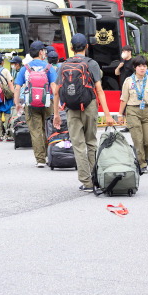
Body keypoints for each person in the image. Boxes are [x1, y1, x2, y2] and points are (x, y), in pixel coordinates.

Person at [53, 34, 115, 192]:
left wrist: (56, 114)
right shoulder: (91, 63)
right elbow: (99, 90)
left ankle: (86, 182)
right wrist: (107, 114)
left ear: (72, 48)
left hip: (71, 108)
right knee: (91, 142)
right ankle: (96, 178)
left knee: (78, 145)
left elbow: (56, 92)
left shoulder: (64, 65)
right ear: (87, 46)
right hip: (89, 105)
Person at [117, 55, 148, 174]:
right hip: (133, 111)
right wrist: (120, 114)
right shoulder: (128, 81)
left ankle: (145, 159)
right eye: (139, 66)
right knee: (138, 139)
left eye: (144, 66)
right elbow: (124, 99)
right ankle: (141, 164)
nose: (142, 68)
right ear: (135, 67)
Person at [14, 41, 57, 167]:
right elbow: (54, 86)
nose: (45, 53)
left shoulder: (25, 68)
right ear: (40, 52)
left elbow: (17, 88)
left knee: (35, 130)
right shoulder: (49, 67)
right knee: (48, 129)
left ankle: (40, 160)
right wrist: (58, 103)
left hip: (31, 103)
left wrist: (17, 103)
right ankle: (49, 155)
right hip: (47, 102)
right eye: (44, 50)